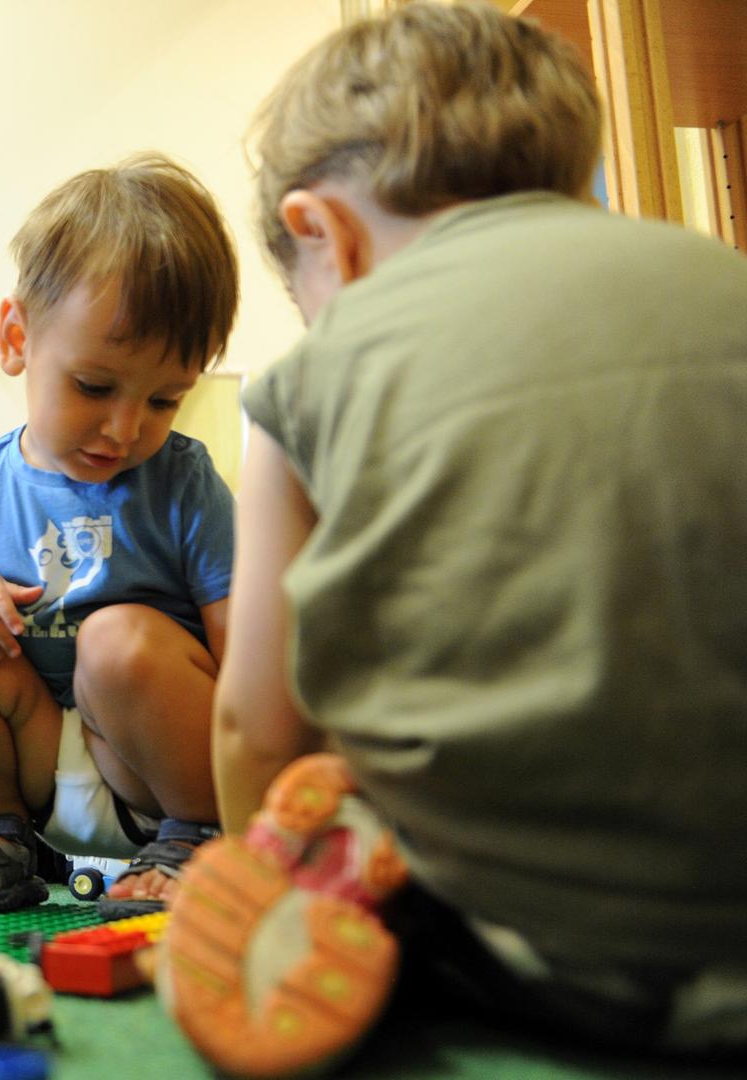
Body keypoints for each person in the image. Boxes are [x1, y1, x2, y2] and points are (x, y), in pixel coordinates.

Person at [158, 5, 747, 1076]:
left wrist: (265, 868)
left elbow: (255, 720)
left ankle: (304, 929)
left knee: (330, 809)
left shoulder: (312, 379)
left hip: (525, 942)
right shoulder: (719, 282)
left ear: (323, 234)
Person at [0, 154, 240, 914]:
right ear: (16, 337)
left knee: (118, 640)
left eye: (164, 399)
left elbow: (240, 652)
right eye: (94, 386)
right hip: (31, 771)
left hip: (153, 775)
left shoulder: (183, 481)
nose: (125, 428)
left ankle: (200, 838)